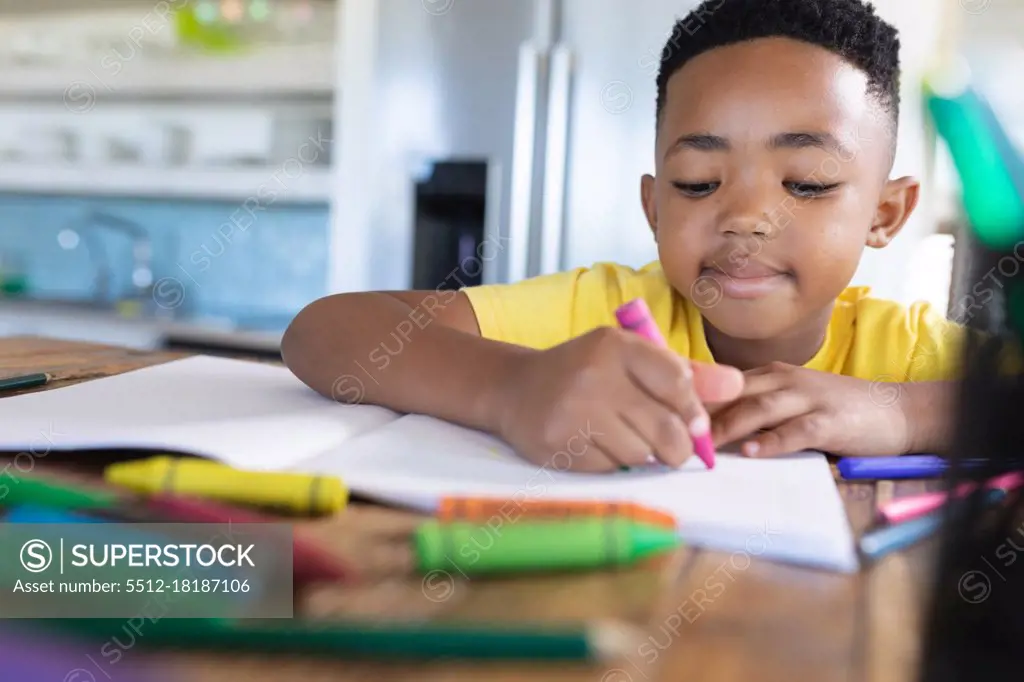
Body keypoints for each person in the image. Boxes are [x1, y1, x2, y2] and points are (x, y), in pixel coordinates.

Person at [281, 0, 963, 473]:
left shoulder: (905, 351)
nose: (747, 217)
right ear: (654, 206)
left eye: (807, 183)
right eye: (698, 181)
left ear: (886, 214)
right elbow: (323, 330)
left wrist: (900, 412)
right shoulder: (603, 312)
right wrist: (512, 389)